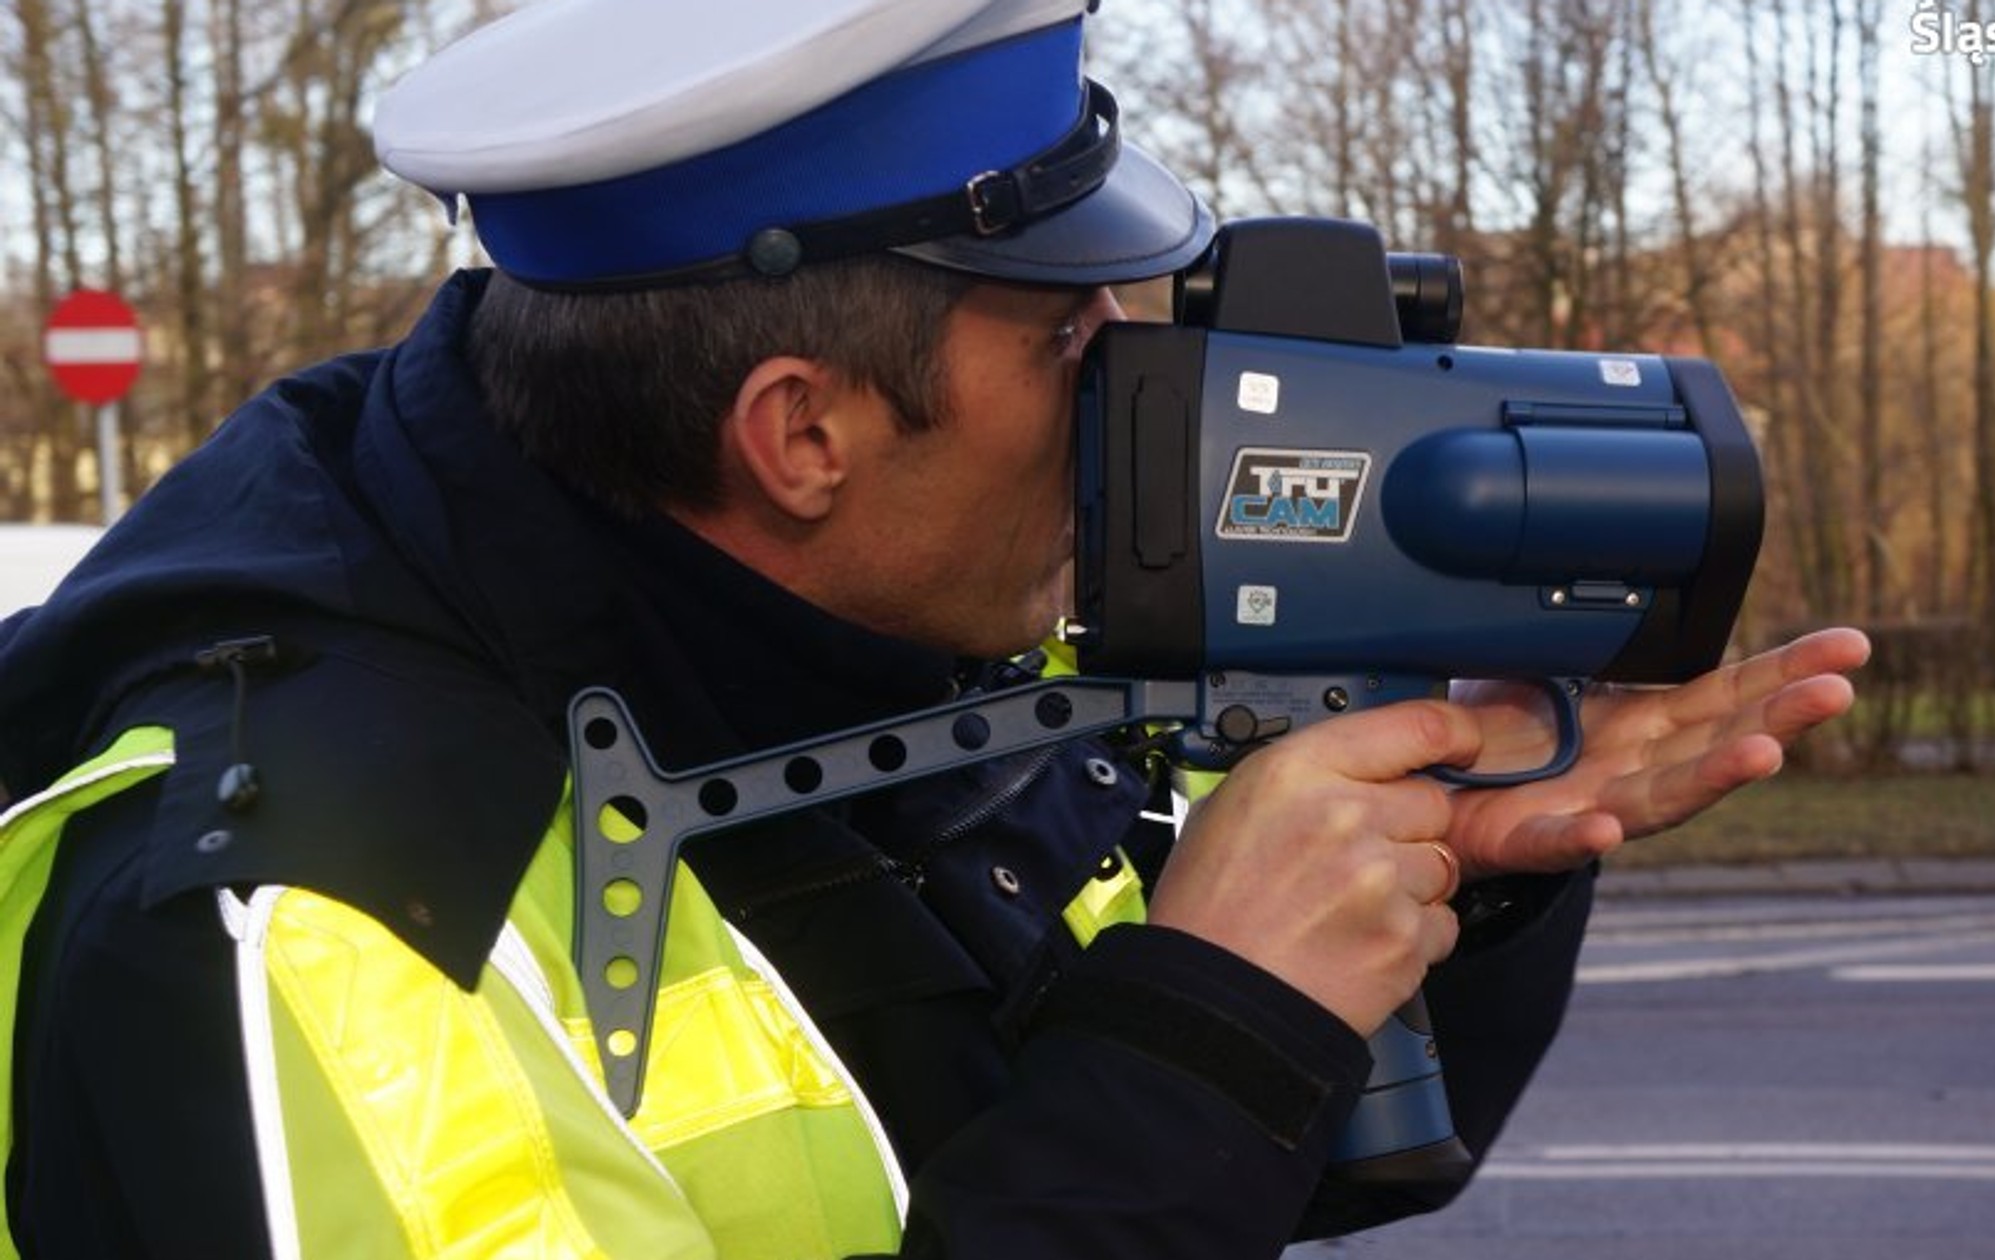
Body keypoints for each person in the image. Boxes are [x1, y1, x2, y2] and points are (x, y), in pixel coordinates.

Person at [0, 0, 1871, 1255]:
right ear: (803, 435)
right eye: (1067, 337)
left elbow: (1232, 1167)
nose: (1135, 388)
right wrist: (1205, 1030)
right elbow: (1151, 1122)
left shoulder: (858, 650)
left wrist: (1448, 873)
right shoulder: (315, 928)